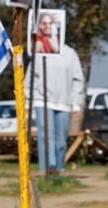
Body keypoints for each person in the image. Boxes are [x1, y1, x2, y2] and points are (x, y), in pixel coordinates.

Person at [25, 43, 85, 174]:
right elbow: (31, 77)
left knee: (61, 141)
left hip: (64, 102)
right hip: (42, 101)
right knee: (46, 136)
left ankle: (59, 169)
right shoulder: (39, 52)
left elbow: (78, 79)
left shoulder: (70, 53)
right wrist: (28, 100)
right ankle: (46, 170)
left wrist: (76, 102)